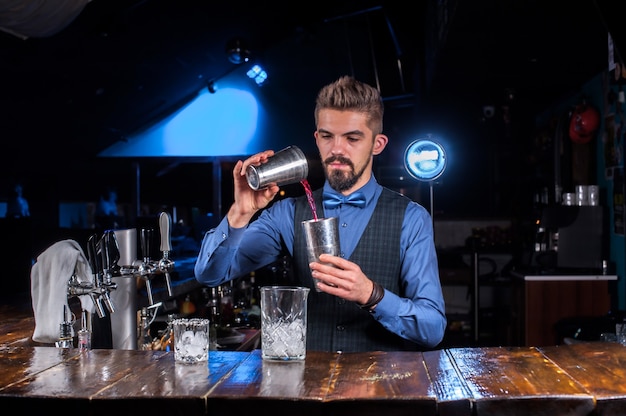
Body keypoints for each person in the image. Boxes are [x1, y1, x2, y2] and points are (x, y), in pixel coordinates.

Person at [194, 75, 447, 352]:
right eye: (327, 136)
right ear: (317, 138)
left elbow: (432, 328)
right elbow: (209, 275)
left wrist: (371, 295)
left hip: (381, 389)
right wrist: (240, 212)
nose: (337, 149)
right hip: (307, 388)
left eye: (352, 138)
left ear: (378, 144)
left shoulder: (411, 218)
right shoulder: (287, 214)